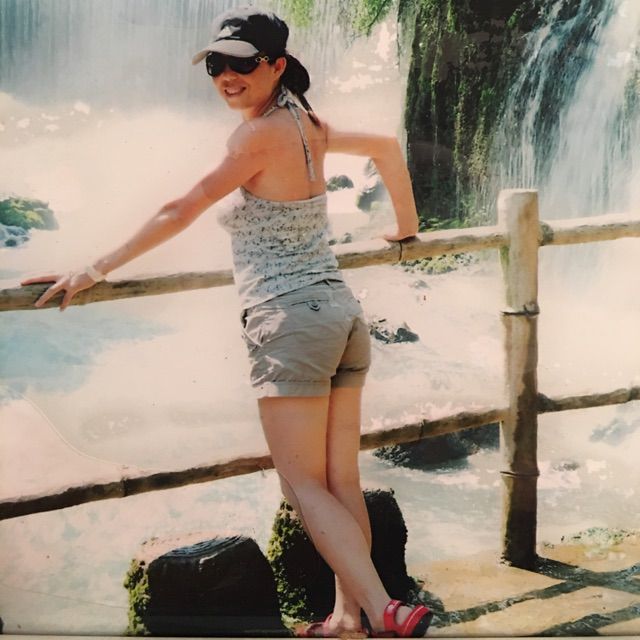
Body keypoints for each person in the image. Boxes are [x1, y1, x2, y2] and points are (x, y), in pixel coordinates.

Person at [21, 7, 431, 638]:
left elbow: (180, 208)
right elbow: (386, 147)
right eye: (215, 64)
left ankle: (384, 611)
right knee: (340, 481)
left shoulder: (256, 137)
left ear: (277, 66)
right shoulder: (308, 124)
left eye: (242, 64)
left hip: (290, 323)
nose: (226, 77)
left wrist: (93, 268)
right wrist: (406, 228)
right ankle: (348, 617)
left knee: (302, 485)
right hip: (341, 315)